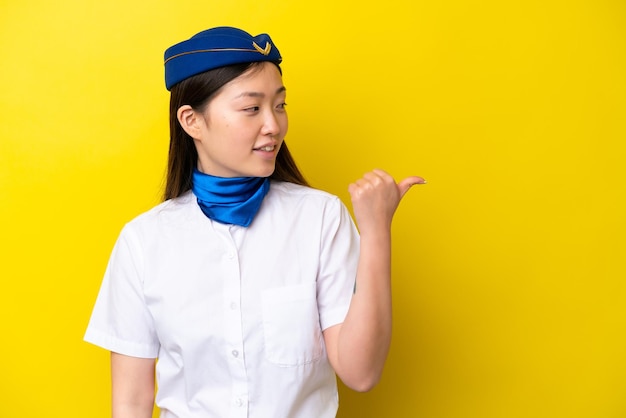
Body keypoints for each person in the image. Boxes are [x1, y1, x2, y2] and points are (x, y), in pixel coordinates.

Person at [84, 26, 425, 418]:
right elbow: (130, 403)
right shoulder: (143, 241)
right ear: (191, 121)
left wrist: (377, 232)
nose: (273, 126)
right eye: (252, 108)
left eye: (280, 105)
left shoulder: (320, 218)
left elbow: (361, 372)